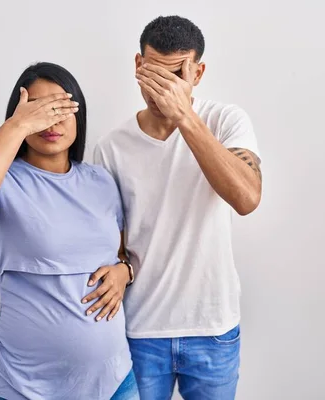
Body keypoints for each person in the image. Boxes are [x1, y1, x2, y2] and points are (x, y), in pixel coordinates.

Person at [0, 62, 139, 400]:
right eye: (38, 108)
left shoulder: (100, 181)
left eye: (61, 107)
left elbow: (121, 251)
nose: (51, 120)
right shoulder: (2, 182)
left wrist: (125, 272)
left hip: (114, 382)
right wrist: (16, 126)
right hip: (23, 388)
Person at [93, 16, 262, 400]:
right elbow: (110, 241)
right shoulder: (111, 147)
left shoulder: (225, 121)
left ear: (197, 73)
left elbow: (247, 198)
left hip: (212, 328)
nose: (163, 90)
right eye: (154, 74)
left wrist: (185, 116)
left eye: (176, 75)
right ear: (138, 65)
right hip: (140, 329)